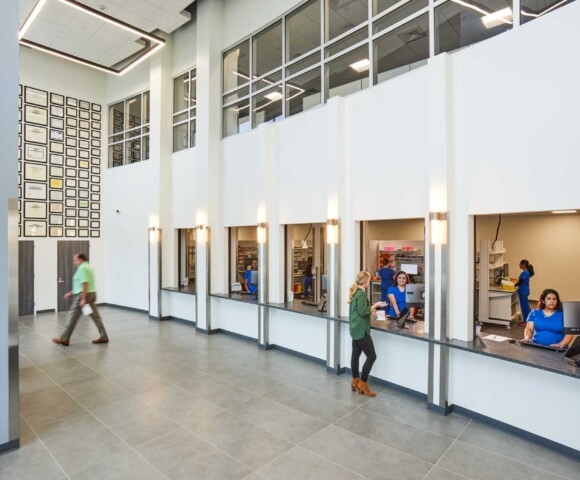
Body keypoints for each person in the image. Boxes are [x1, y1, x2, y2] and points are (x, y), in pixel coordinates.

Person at [52, 253, 108, 346]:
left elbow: (84, 283)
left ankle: (64, 338)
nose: (74, 262)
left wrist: (83, 299)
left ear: (81, 259)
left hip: (83, 296)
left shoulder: (82, 268)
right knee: (95, 317)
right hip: (91, 294)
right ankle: (104, 336)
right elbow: (81, 283)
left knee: (72, 316)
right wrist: (71, 293)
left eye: (75, 260)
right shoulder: (88, 267)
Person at [348, 271, 387, 397]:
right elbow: (363, 310)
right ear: (366, 281)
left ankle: (355, 380)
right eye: (369, 280)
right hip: (361, 330)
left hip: (355, 329)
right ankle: (363, 383)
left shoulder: (356, 292)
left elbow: (362, 309)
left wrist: (372, 311)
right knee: (372, 357)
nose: (369, 282)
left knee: (356, 355)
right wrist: (375, 305)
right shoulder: (361, 294)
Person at [516, 259, 534, 327]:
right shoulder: (526, 272)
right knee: (526, 306)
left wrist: (514, 285)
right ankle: (529, 320)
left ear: (523, 265)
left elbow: (520, 281)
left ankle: (526, 322)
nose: (519, 265)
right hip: (524, 290)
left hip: (523, 291)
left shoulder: (525, 273)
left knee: (524, 307)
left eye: (520, 264)